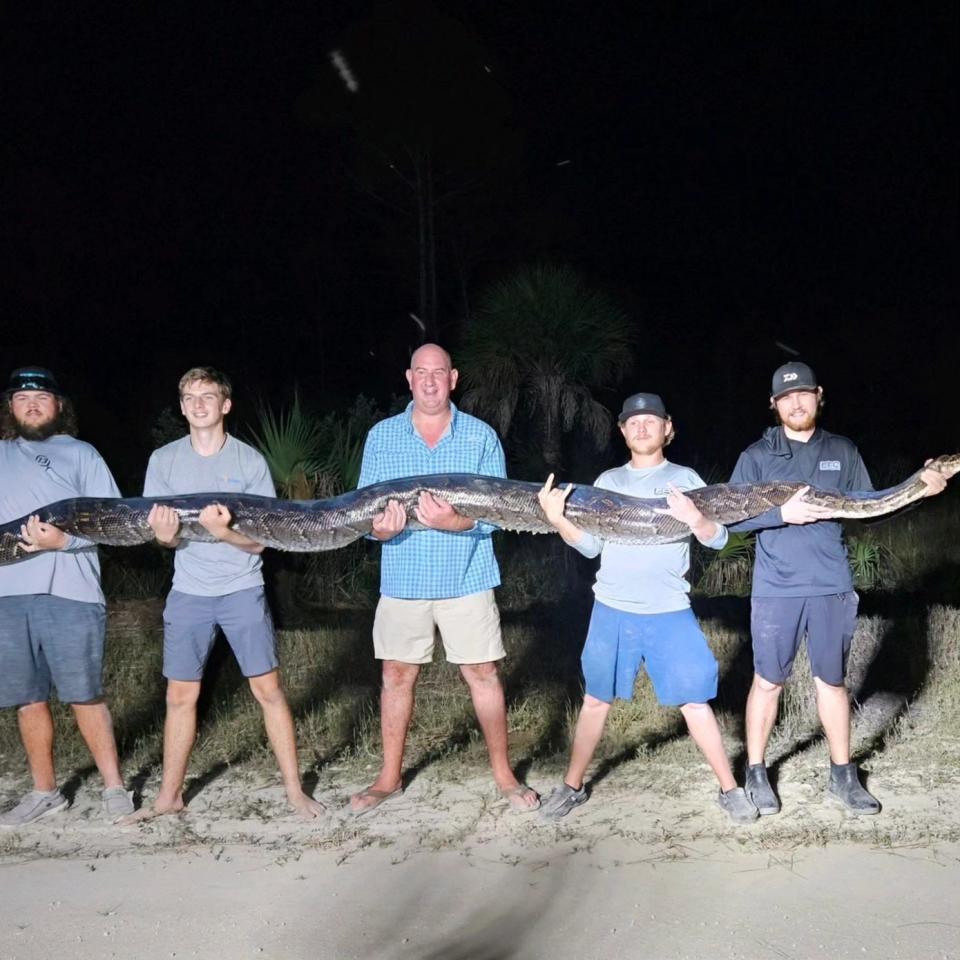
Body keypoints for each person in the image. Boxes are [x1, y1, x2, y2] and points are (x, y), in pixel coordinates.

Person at [730, 361, 947, 815]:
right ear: (773, 405)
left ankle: (843, 776)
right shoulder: (756, 456)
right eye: (786, 397)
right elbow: (732, 518)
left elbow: (871, 508)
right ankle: (756, 773)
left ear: (819, 395)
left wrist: (918, 492)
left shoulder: (843, 451)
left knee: (832, 682)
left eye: (804, 393)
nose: (796, 402)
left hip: (832, 585)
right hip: (776, 589)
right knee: (768, 682)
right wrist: (780, 515)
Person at [537, 392, 758, 823]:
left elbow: (716, 538)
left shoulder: (686, 479)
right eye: (633, 422)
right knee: (596, 700)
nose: (641, 427)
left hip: (669, 610)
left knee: (695, 702)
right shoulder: (607, 483)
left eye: (650, 421)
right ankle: (571, 786)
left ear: (667, 428)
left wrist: (695, 517)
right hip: (612, 608)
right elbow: (590, 546)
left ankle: (729, 789)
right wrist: (558, 518)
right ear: (622, 431)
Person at [349, 343, 539, 815]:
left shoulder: (479, 437)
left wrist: (459, 522)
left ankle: (504, 775)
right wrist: (379, 530)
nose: (430, 381)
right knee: (396, 675)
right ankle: (389, 778)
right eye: (421, 372)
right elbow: (362, 514)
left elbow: (500, 513)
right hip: (403, 577)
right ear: (408, 378)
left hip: (467, 577)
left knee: (483, 673)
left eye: (439, 372)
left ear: (452, 379)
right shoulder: (382, 437)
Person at [127, 366, 323, 822]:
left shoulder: (249, 462)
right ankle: (168, 798)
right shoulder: (164, 461)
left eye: (208, 396)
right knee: (179, 696)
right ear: (181, 407)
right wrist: (164, 536)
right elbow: (167, 540)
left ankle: (295, 792)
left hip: (242, 589)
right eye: (190, 397)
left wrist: (224, 532)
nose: (198, 404)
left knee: (269, 691)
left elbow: (261, 542)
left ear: (225, 404)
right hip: (189, 592)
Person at [0, 366, 134, 827]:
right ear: (10, 408)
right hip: (8, 597)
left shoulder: (81, 454)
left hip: (71, 593)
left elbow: (113, 523)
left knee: (85, 695)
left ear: (59, 407)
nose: (31, 404)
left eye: (41, 397)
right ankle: (45, 791)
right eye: (21, 397)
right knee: (27, 698)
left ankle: (114, 787)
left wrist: (65, 543)